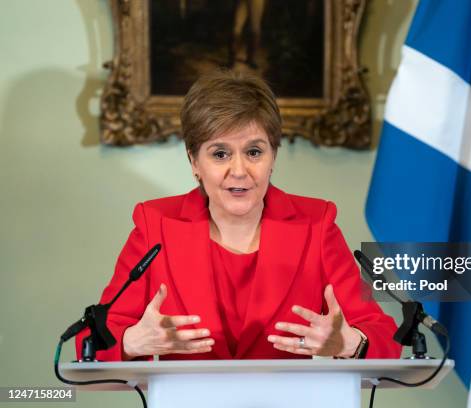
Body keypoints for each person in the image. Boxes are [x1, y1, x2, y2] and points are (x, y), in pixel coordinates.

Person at [75, 70, 401, 361]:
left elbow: (384, 336)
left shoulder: (316, 224)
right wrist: (133, 341)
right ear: (193, 162)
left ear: (273, 156)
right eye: (220, 154)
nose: (239, 171)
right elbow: (89, 342)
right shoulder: (155, 225)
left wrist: (350, 343)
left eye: (254, 152)